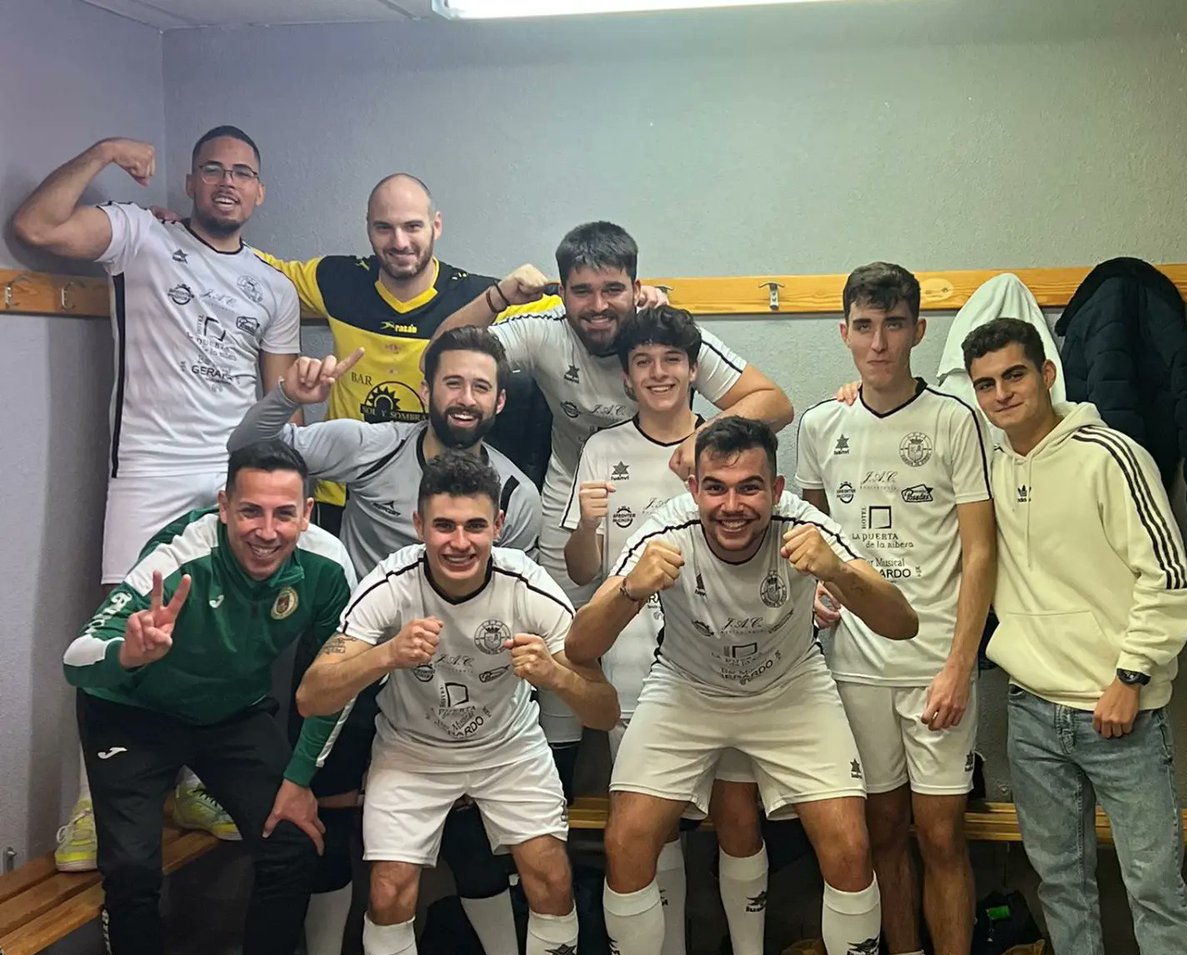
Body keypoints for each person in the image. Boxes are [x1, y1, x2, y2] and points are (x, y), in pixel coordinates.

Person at [566, 418, 920, 955]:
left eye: (750, 488)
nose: (733, 505)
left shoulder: (806, 526)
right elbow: (580, 646)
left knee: (849, 847)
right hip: (687, 689)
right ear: (694, 487)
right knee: (626, 839)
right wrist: (632, 589)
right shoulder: (667, 529)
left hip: (791, 689)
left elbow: (901, 624)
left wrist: (838, 571)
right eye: (717, 488)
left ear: (777, 488)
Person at [227, 327, 544, 955]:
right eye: (452, 382)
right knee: (326, 820)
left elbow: (515, 597)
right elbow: (250, 454)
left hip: (454, 678)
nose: (465, 398)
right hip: (359, 662)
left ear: (499, 401)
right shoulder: (369, 445)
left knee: (469, 830)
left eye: (480, 387)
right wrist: (286, 397)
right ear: (426, 389)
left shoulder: (514, 493)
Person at [295, 452, 619, 955]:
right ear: (420, 526)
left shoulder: (526, 584)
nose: (459, 542)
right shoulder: (392, 583)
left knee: (550, 875)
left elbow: (603, 709)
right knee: (389, 889)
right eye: (443, 526)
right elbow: (311, 695)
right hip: (413, 752)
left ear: (498, 525)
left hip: (508, 748)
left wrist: (555, 677)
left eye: (474, 526)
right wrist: (386, 655)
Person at [14, 127, 300, 864]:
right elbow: (37, 226)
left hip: (230, 478)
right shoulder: (140, 236)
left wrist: (294, 420)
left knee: (215, 634)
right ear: (191, 182)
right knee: (121, 639)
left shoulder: (272, 286)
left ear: (259, 191)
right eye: (213, 170)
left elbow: (278, 410)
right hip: (146, 470)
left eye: (243, 172)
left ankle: (190, 782)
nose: (228, 183)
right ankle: (91, 804)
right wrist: (104, 151)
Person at [434, 221, 793, 793]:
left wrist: (702, 439)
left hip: (666, 481)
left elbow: (774, 401)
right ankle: (563, 796)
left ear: (636, 287)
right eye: (582, 291)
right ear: (563, 293)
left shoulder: (663, 334)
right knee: (562, 638)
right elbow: (444, 353)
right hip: (576, 491)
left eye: (612, 290)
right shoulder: (544, 330)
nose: (598, 306)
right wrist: (499, 296)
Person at [61, 435, 355, 955]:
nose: (266, 531)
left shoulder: (326, 566)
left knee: (292, 839)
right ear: (224, 507)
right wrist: (128, 653)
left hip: (230, 713)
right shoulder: (179, 556)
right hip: (131, 711)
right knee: (132, 867)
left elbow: (331, 684)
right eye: (250, 511)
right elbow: (76, 657)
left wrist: (299, 777)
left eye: (283, 513)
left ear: (307, 514)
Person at [962, 317, 1187, 955]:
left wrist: (1131, 676)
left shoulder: (1111, 456)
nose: (1001, 394)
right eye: (986, 383)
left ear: (1047, 372)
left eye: (1014, 376)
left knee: (1154, 883)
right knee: (1059, 875)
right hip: (1032, 707)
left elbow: (1168, 576)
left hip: (1117, 710)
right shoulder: (992, 463)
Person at [562, 306, 814, 955]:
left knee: (738, 815)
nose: (659, 374)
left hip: (721, 664)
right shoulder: (602, 448)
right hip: (634, 665)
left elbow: (775, 419)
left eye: (672, 360)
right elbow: (583, 571)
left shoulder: (725, 447)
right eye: (643, 362)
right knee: (654, 826)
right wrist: (587, 523)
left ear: (694, 369)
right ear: (626, 374)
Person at [795, 263, 995, 955]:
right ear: (844, 331)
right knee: (882, 831)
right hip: (855, 669)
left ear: (918, 330)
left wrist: (959, 666)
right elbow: (809, 536)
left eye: (894, 325)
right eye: (864, 326)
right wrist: (819, 594)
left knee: (941, 833)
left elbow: (980, 552)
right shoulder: (821, 424)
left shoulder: (953, 420)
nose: (879, 342)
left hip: (935, 666)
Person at [254, 172, 555, 532]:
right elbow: (256, 270)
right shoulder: (336, 280)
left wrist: (632, 298)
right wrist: (196, 231)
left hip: (440, 496)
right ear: (368, 227)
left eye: (413, 226)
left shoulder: (476, 298)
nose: (399, 242)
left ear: (436, 225)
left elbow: (575, 308)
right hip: (342, 491)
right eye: (384, 228)